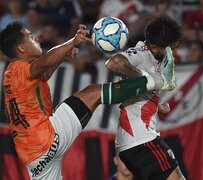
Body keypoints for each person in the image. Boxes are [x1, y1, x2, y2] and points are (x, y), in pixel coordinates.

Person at [1, 21, 174, 179]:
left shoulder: (11, 74)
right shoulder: (22, 69)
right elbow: (45, 62)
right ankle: (157, 80)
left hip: (33, 158)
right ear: (21, 49)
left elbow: (45, 72)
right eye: (30, 37)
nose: (36, 38)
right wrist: (72, 42)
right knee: (93, 92)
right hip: (45, 138)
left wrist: (63, 54)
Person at [105, 16, 185, 180]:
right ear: (154, 46)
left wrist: (156, 106)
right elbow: (114, 64)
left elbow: (140, 91)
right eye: (171, 49)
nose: (172, 53)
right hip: (140, 140)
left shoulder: (154, 57)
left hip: (138, 140)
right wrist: (148, 78)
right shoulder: (141, 54)